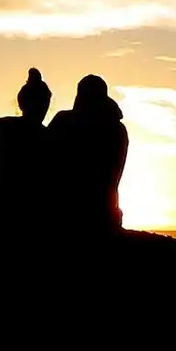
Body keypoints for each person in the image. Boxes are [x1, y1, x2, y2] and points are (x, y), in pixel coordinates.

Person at [48, 73, 129, 235]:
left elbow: (44, 160)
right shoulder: (117, 129)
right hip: (104, 214)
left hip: (68, 214)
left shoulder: (64, 121)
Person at [0, 68, 52, 234]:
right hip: (18, 214)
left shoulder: (0, 126)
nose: (43, 108)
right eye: (41, 103)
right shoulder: (48, 136)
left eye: (45, 103)